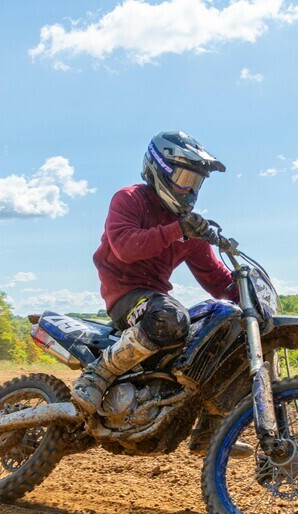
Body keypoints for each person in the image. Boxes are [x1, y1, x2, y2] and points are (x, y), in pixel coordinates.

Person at [71, 131, 238, 419]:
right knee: (171, 316)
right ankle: (96, 377)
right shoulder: (130, 199)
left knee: (219, 330)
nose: (190, 190)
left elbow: (216, 279)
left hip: (154, 299)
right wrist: (178, 230)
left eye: (196, 182)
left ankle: (214, 427)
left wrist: (247, 295)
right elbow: (124, 246)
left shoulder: (189, 230)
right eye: (185, 180)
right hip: (126, 295)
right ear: (159, 169)